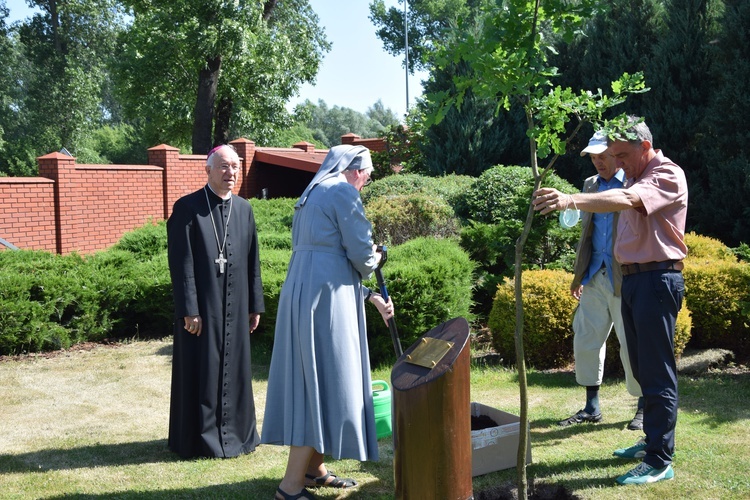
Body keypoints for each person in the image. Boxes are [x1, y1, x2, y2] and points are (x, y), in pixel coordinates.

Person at [532, 116, 687, 486]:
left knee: (656, 371)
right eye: (611, 154)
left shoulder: (665, 174)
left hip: (656, 279)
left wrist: (570, 199)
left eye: (621, 154)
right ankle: (652, 440)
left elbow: (627, 199)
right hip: (632, 281)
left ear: (645, 147)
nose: (615, 162)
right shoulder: (634, 173)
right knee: (643, 368)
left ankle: (659, 460)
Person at [261, 144, 395, 500]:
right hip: (325, 303)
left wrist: (368, 296)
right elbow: (362, 257)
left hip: (309, 295)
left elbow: (326, 260)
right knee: (319, 383)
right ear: (354, 170)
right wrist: (379, 254)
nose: (367, 180)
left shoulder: (312, 194)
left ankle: (312, 469)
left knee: (320, 379)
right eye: (367, 173)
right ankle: (290, 488)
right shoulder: (341, 192)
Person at [166, 144, 265, 459]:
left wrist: (255, 305)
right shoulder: (187, 208)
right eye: (223, 166)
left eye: (234, 167)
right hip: (202, 310)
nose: (230, 173)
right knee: (201, 370)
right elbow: (181, 263)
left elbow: (253, 262)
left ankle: (239, 435)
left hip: (236, 308)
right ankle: (197, 440)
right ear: (207, 170)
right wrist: (189, 309)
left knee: (235, 370)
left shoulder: (245, 209)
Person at [558, 131, 644, 431]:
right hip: (594, 275)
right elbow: (587, 235)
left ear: (616, 155)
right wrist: (579, 275)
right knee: (585, 339)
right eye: (593, 157)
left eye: (602, 156)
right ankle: (591, 407)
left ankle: (643, 407)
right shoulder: (590, 186)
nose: (597, 162)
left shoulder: (633, 185)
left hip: (625, 277)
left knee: (631, 344)